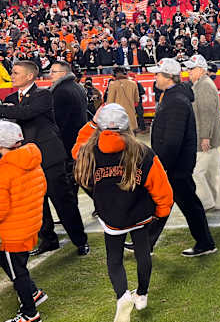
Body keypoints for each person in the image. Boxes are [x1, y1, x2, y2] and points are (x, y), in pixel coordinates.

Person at [0, 60, 89, 256]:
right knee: (37, 203)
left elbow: (26, 112)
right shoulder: (10, 98)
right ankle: (48, 240)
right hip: (26, 159)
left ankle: (80, 240)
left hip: (49, 157)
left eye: (16, 73)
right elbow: (10, 116)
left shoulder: (43, 94)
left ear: (29, 76)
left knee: (63, 200)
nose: (12, 76)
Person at [73, 104, 173, 322]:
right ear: (127, 126)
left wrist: (92, 124)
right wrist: (162, 211)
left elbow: (76, 151)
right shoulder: (143, 152)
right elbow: (161, 186)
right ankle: (142, 294)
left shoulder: (88, 150)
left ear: (98, 127)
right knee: (143, 253)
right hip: (139, 213)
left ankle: (122, 296)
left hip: (111, 216)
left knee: (114, 259)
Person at [142, 58, 217, 257]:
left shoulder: (175, 100)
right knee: (174, 202)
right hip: (176, 163)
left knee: (184, 204)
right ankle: (147, 241)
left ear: (168, 77)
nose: (155, 77)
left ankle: (205, 242)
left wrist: (161, 165)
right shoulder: (172, 96)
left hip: (176, 164)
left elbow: (173, 140)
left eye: (158, 74)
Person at [0, 120, 47, 322]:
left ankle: (30, 313)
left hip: (13, 231)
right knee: (8, 260)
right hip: (31, 224)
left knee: (18, 273)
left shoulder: (2, 173)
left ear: (0, 145)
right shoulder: (33, 161)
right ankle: (34, 293)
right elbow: (41, 189)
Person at [183, 54, 220, 211]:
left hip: (206, 137)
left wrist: (205, 137)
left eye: (192, 69)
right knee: (213, 173)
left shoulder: (204, 86)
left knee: (197, 172)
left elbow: (206, 113)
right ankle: (217, 202)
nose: (189, 72)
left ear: (201, 70)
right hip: (211, 137)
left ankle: (207, 202)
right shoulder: (203, 84)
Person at [105, 67, 139, 132]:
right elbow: (136, 100)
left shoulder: (113, 84)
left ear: (114, 75)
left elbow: (110, 102)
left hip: (118, 117)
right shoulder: (133, 84)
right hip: (131, 116)